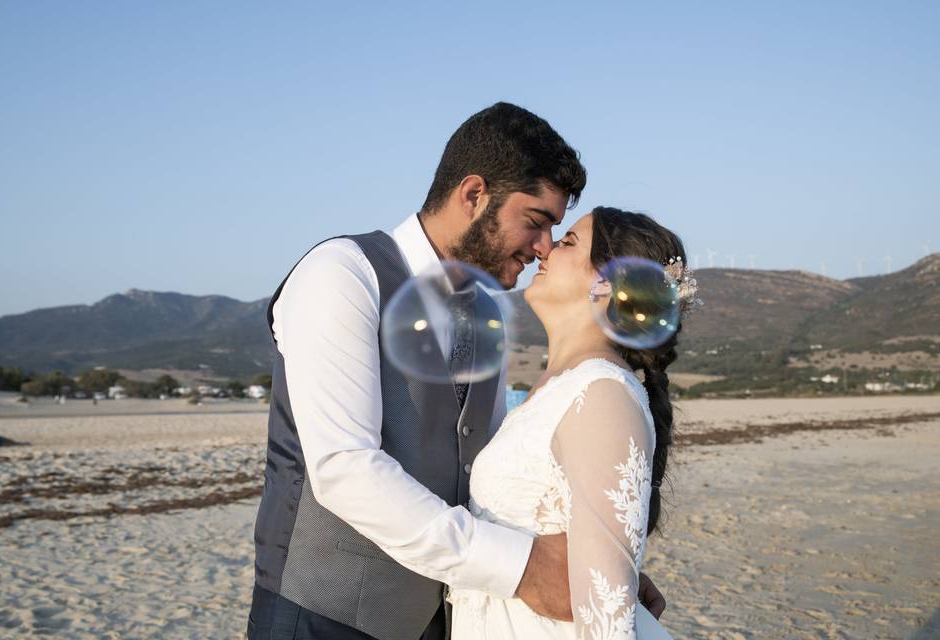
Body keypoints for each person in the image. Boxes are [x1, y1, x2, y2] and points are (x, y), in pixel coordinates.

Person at [247, 103, 665, 640]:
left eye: (554, 233)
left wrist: (598, 564)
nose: (542, 249)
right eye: (535, 223)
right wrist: (525, 568)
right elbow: (344, 468)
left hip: (439, 622)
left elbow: (486, 475)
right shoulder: (343, 275)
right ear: (474, 196)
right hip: (319, 617)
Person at [449, 208, 694, 639]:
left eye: (567, 244)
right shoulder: (558, 390)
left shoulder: (601, 394)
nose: (544, 248)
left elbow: (607, 617)